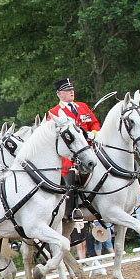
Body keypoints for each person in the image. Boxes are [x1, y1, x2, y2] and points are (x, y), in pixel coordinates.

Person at [47, 78, 100, 221]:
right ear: (59, 93)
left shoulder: (83, 107)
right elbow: (52, 137)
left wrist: (93, 133)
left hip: (90, 149)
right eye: (67, 90)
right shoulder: (54, 112)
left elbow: (94, 123)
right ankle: (72, 208)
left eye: (72, 89)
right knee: (71, 173)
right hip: (70, 155)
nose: (71, 92)